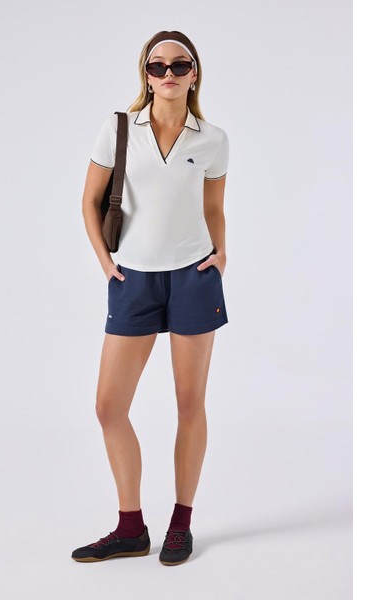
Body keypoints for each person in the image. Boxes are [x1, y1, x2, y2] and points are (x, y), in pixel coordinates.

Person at [72, 30, 230, 567]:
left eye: (179, 65)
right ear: (146, 74)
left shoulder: (212, 139)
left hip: (193, 278)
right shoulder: (119, 129)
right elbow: (90, 201)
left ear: (194, 74)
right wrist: (105, 262)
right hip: (132, 280)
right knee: (108, 406)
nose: (168, 74)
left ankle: (180, 524)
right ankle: (130, 528)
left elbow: (214, 207)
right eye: (157, 66)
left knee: (189, 404)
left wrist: (222, 254)